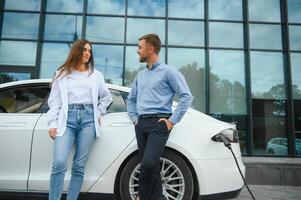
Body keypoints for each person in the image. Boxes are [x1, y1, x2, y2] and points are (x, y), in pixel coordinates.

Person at [127, 33, 193, 200]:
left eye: (140, 47)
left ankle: (140, 197)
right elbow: (131, 99)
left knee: (148, 164)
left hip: (159, 124)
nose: (137, 51)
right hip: (141, 124)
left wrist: (171, 121)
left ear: (151, 49)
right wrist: (135, 119)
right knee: (152, 168)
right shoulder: (140, 75)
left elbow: (186, 96)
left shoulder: (169, 72)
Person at [47, 39, 113, 200]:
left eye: (89, 51)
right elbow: (54, 101)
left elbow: (107, 98)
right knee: (59, 163)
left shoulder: (96, 75)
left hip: (88, 120)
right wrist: (52, 123)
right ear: (76, 51)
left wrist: (97, 112)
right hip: (66, 120)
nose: (87, 53)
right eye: (84, 50)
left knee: (79, 166)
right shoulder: (61, 74)